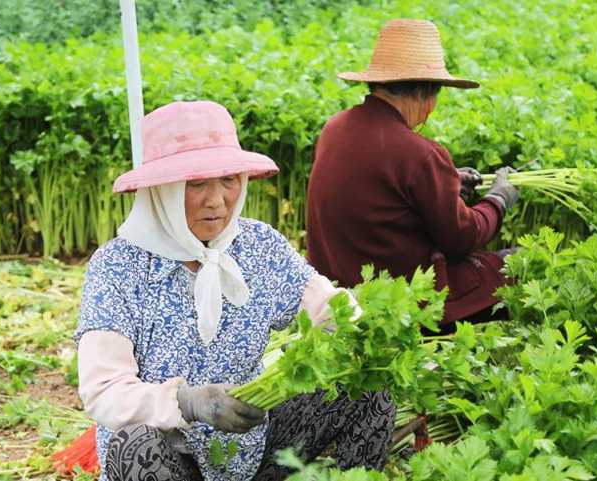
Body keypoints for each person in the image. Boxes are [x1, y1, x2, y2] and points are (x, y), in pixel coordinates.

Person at [75, 100, 395, 481]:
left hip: (252, 451)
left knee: (366, 388)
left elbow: (329, 308)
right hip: (169, 462)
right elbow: (103, 391)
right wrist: (189, 402)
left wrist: (371, 335)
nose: (218, 200)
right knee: (134, 443)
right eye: (196, 184)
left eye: (229, 180)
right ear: (161, 190)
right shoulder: (119, 267)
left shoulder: (258, 245)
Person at [306, 19, 520, 332]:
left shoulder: (335, 128)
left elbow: (384, 193)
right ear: (424, 93)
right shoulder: (420, 153)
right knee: (516, 265)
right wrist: (498, 200)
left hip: (338, 292)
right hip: (401, 303)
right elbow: (461, 239)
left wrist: (449, 183)